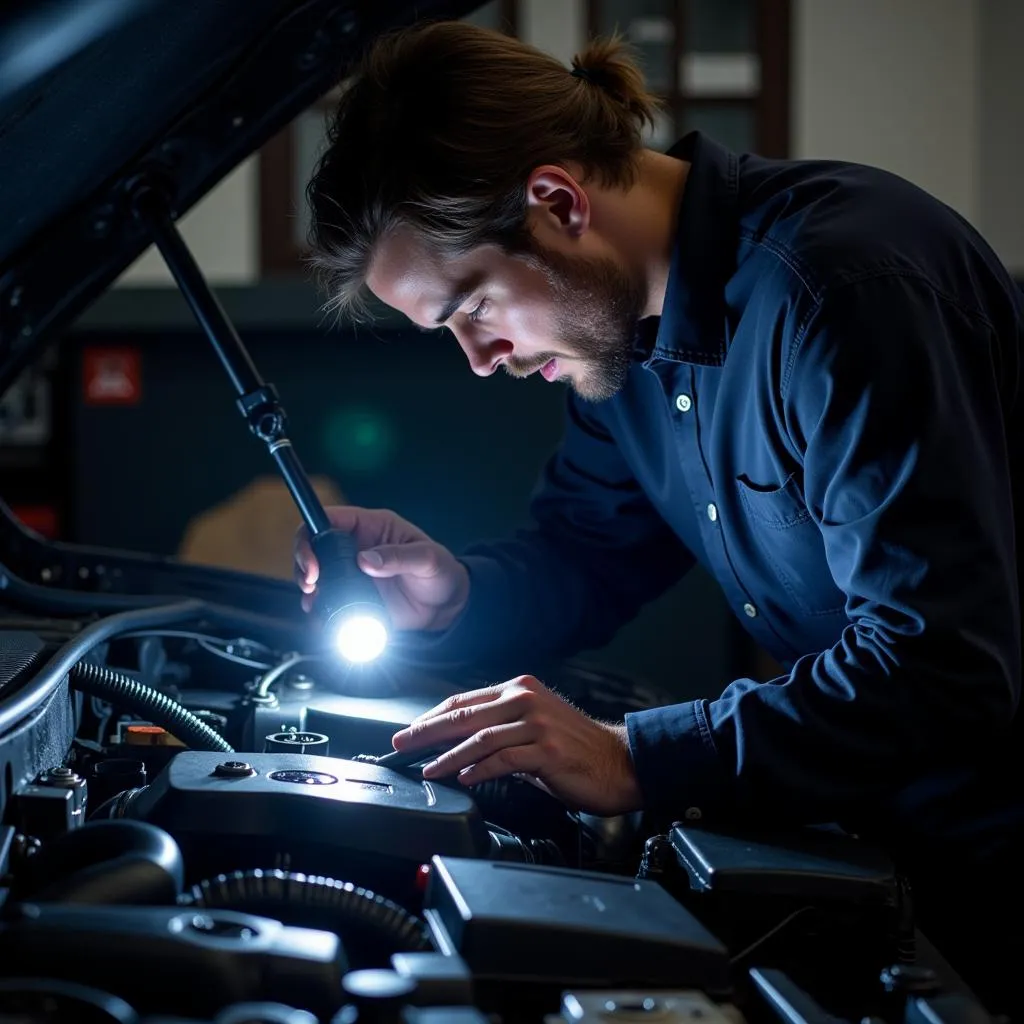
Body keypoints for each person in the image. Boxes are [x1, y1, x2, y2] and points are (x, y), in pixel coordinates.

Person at [295, 20, 1024, 1014]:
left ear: (556, 202)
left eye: (470, 306)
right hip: (879, 852)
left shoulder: (844, 292)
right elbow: (585, 554)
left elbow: (940, 668)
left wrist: (636, 753)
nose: (479, 357)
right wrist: (450, 594)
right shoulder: (620, 342)